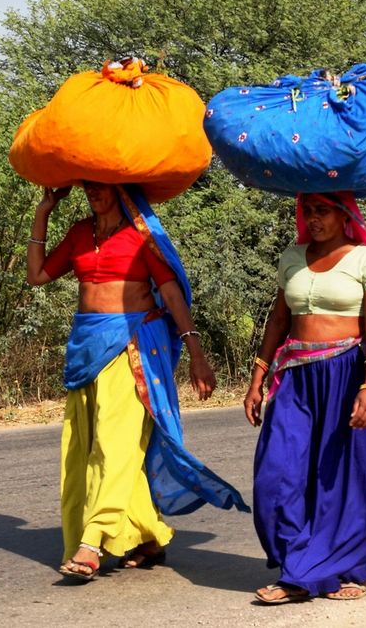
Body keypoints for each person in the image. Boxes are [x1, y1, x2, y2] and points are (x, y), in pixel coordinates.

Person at [27, 181, 247, 582]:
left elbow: (172, 296)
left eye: (102, 186)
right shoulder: (79, 233)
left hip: (133, 348)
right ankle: (148, 535)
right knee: (81, 449)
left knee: (114, 445)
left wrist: (197, 355)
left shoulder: (142, 237)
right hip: (86, 349)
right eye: (88, 185)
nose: (94, 192)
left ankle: (93, 542)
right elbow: (38, 275)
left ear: (121, 189)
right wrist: (44, 211)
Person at [243, 191, 366, 603]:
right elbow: (280, 319)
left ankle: (344, 570)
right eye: (308, 211)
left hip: (348, 372)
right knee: (277, 474)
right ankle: (299, 563)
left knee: (343, 477)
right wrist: (257, 376)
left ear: (344, 214)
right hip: (297, 376)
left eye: (323, 211)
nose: (314, 219)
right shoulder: (292, 256)